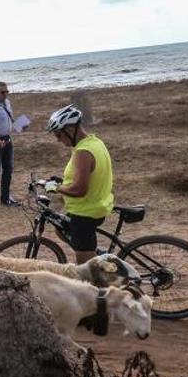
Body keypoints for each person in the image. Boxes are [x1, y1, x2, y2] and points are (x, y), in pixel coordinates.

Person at [45, 105, 113, 264]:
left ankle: (97, 269)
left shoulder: (83, 152)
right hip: (94, 206)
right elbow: (86, 176)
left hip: (85, 213)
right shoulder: (94, 142)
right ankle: (93, 256)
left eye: (59, 134)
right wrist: (62, 182)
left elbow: (79, 189)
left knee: (86, 274)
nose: (58, 139)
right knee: (61, 227)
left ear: (70, 129)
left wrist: (56, 188)